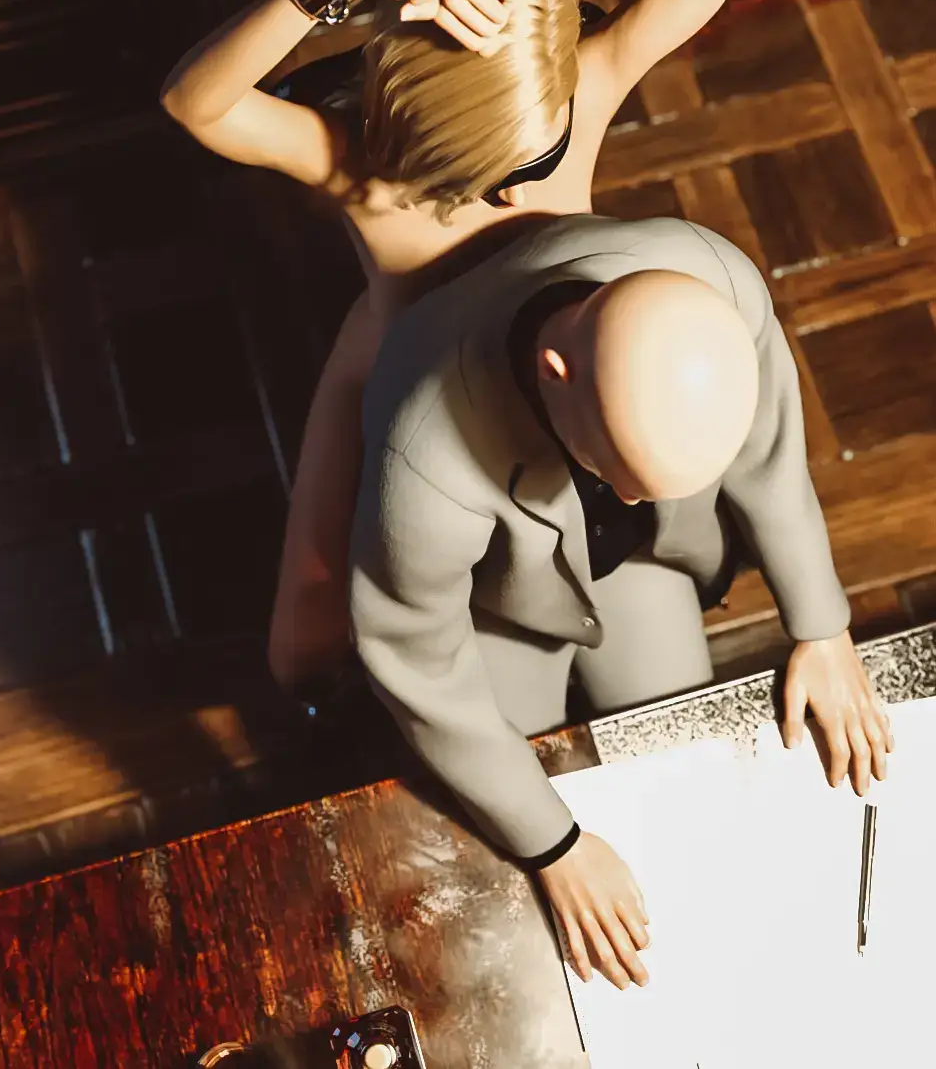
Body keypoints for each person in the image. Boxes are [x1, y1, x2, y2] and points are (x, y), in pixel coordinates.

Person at [160, 0, 755, 696]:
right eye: (480, 178)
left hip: (567, 371)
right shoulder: (357, 167)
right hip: (416, 385)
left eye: (537, 164)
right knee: (300, 651)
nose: (515, 196)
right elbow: (193, 103)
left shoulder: (586, 88)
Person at [349, 212, 894, 992]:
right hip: (495, 608)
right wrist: (555, 846)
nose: (635, 497)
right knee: (514, 782)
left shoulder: (722, 286)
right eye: (622, 474)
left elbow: (770, 462)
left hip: (648, 563)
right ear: (555, 372)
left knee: (679, 757)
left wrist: (823, 628)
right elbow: (416, 661)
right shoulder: (426, 453)